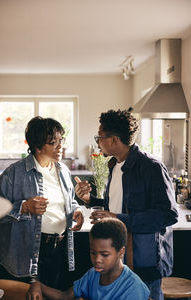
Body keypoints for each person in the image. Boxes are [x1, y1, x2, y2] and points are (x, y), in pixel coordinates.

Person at [75, 109, 178, 300]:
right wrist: (91, 200)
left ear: (114, 140)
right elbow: (118, 205)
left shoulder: (151, 166)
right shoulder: (114, 165)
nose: (98, 142)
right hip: (119, 263)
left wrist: (117, 218)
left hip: (143, 263)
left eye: (100, 137)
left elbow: (168, 214)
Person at [0, 116, 84, 289]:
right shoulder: (14, 173)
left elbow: (69, 200)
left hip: (59, 248)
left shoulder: (63, 170)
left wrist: (76, 210)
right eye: (53, 143)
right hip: (26, 251)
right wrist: (24, 207)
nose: (61, 147)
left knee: (52, 294)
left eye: (61, 141)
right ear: (36, 146)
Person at [27, 217, 150, 300]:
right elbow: (64, 296)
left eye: (104, 254)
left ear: (121, 252)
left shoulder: (133, 288)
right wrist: (36, 284)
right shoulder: (93, 274)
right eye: (93, 253)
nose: (97, 260)